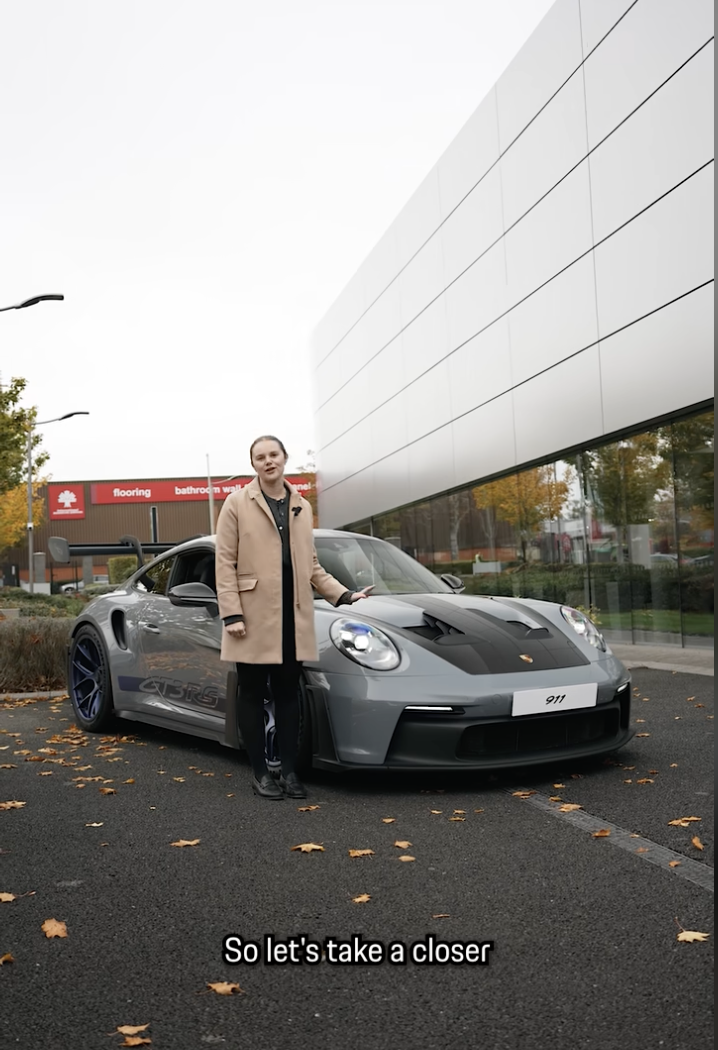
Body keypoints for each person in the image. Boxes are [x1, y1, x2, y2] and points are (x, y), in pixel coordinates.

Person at [215, 435, 372, 800]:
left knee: (288, 695)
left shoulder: (300, 505)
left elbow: (312, 565)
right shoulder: (236, 503)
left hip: (293, 615)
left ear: (284, 458)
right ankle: (259, 774)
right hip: (251, 617)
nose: (268, 461)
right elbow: (224, 563)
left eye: (274, 455)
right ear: (253, 464)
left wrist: (344, 594)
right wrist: (231, 613)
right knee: (252, 693)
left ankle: (288, 772)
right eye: (260, 457)